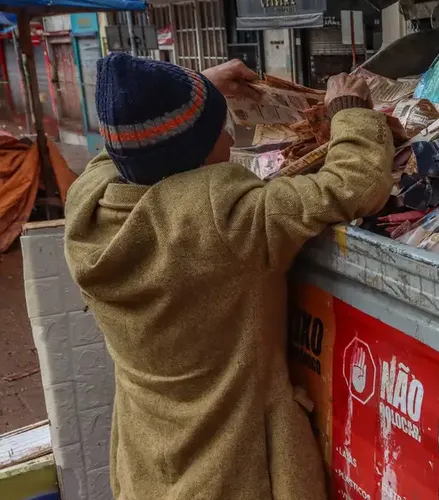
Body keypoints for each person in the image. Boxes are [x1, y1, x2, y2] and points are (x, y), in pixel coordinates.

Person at [63, 53, 393, 499]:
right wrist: (349, 112)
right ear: (198, 156)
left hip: (147, 461)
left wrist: (197, 87)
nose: (230, 135)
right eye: (220, 129)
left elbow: (123, 148)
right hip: (237, 471)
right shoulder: (226, 219)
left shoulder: (87, 206)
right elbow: (356, 181)